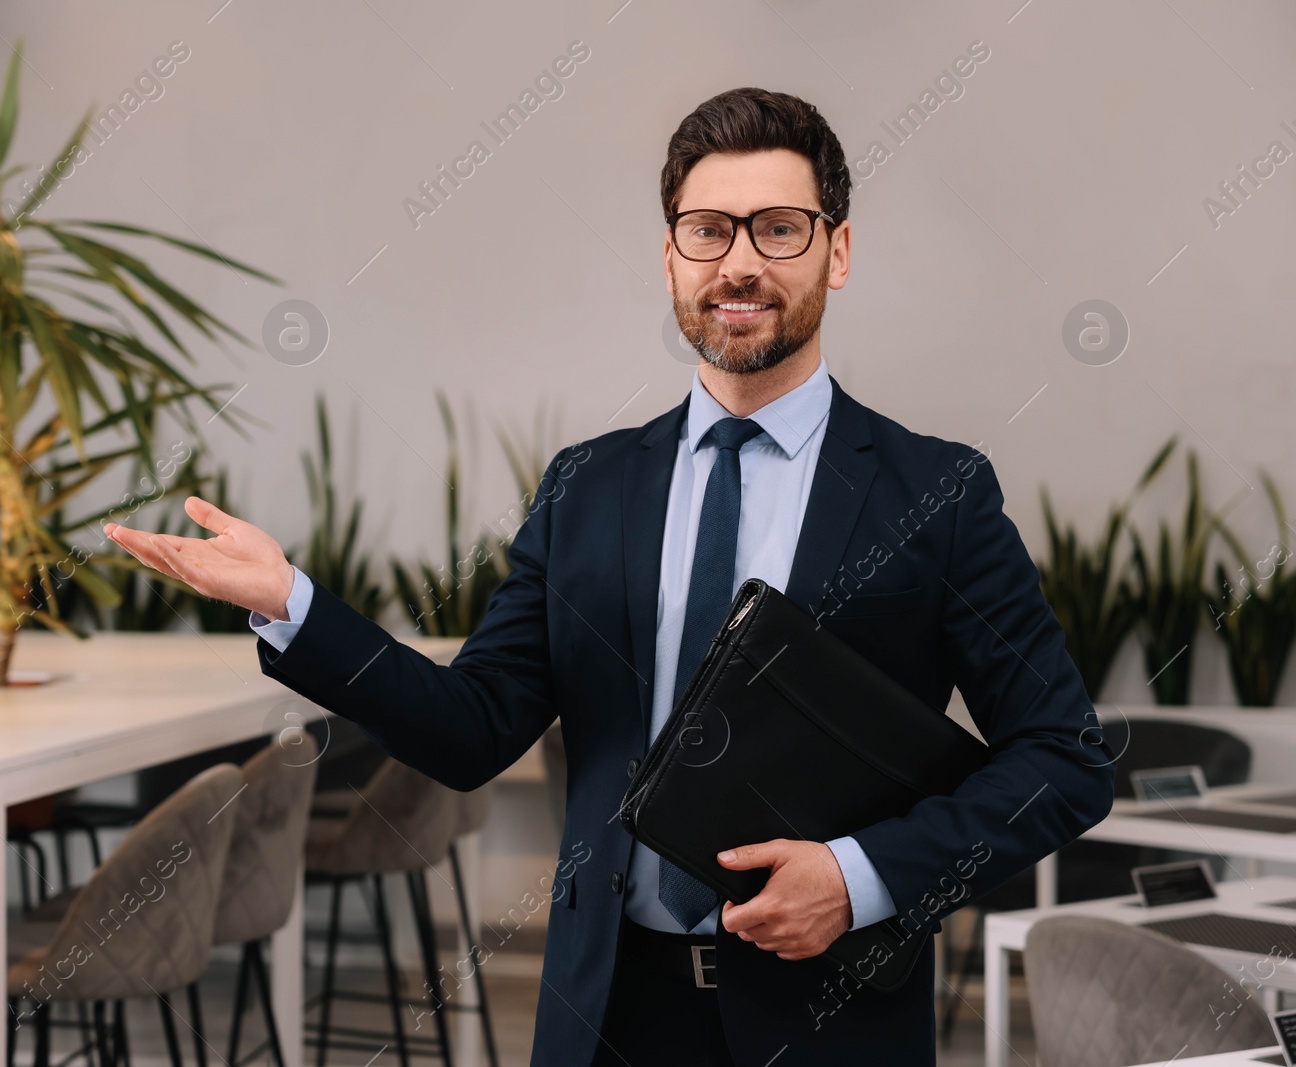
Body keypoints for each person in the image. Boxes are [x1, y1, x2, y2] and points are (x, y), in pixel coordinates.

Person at [106, 87, 1115, 1067]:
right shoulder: (586, 485)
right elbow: (472, 726)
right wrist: (292, 604)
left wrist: (858, 879)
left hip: (829, 1010)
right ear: (670, 255)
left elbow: (1061, 759)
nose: (739, 263)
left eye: (777, 229)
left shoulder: (935, 491)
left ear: (836, 251)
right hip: (605, 1010)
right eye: (708, 230)